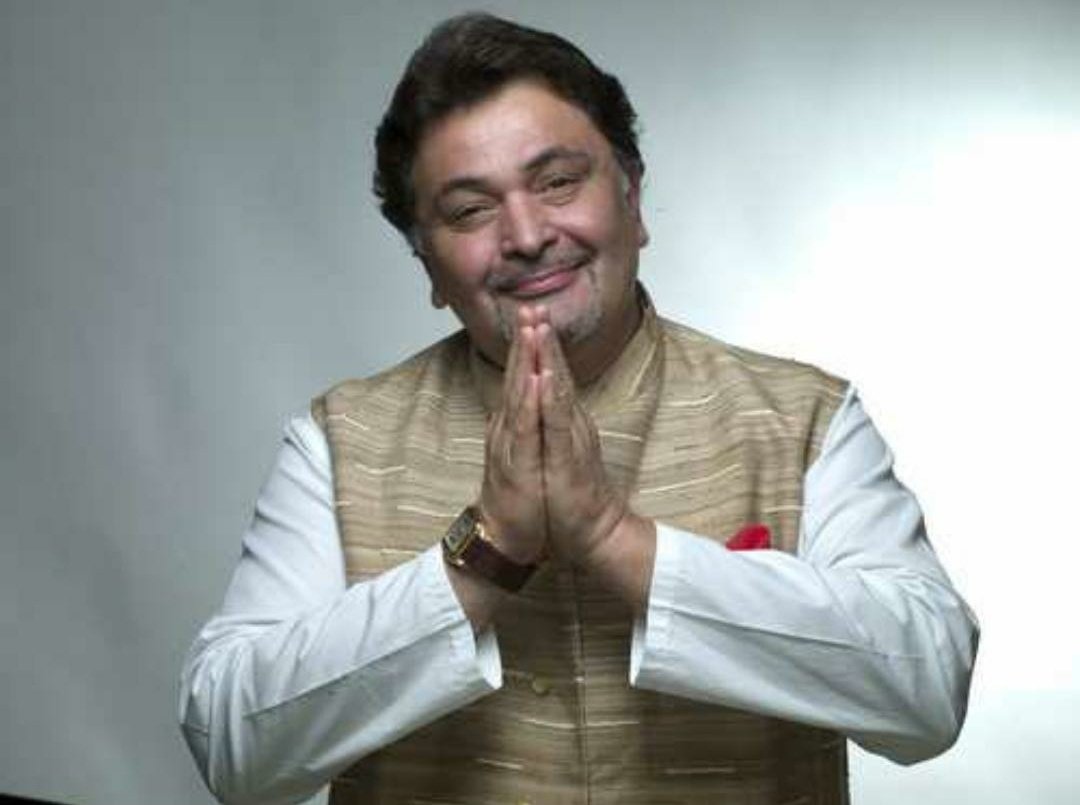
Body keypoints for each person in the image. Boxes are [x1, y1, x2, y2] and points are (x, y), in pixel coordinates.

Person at [179, 13, 978, 804]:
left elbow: (929, 692)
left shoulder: (802, 419)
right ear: (427, 263)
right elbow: (232, 747)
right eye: (469, 209)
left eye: (558, 181)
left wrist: (614, 537)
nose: (527, 235)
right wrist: (483, 555)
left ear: (632, 200)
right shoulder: (338, 442)